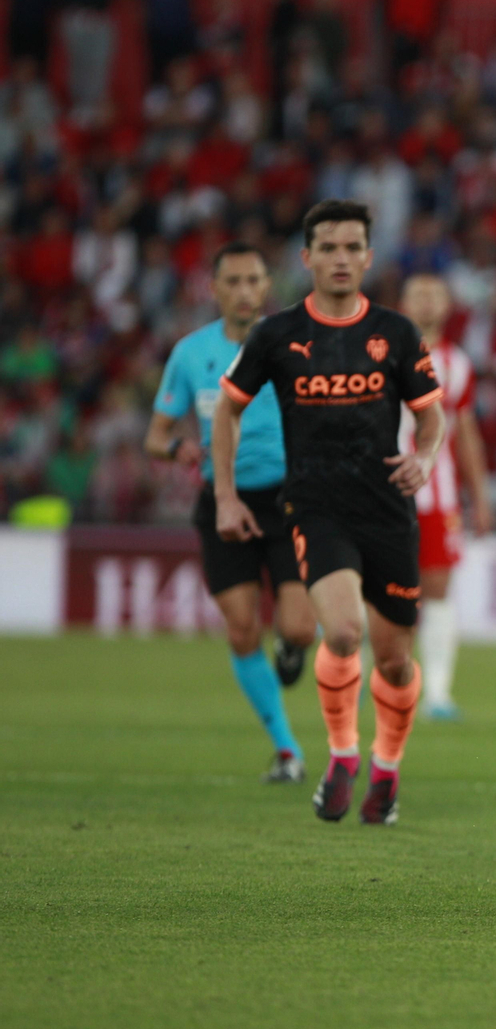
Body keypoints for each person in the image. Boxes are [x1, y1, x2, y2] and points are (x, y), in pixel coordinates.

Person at [213, 199, 446, 826]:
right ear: (307, 257)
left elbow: (431, 415)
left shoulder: (396, 333)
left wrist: (424, 458)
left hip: (387, 509)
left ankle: (386, 772)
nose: (341, 258)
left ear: (368, 258)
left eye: (352, 248)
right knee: (343, 633)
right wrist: (227, 496)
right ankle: (342, 756)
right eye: (329, 247)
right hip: (316, 508)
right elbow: (227, 409)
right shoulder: (277, 334)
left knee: (395, 658)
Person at [145, 241, 317, 784]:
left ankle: (292, 650)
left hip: (289, 499)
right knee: (243, 629)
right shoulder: (190, 354)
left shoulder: (294, 345)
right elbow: (155, 436)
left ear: (267, 287)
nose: (244, 292)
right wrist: (178, 450)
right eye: (233, 282)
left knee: (298, 626)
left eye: (253, 281)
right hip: (223, 499)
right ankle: (287, 749)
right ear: (214, 288)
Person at [397, 274, 493, 720]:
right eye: (419, 293)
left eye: (436, 294)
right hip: (385, 491)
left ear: (449, 304)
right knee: (370, 585)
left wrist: (481, 496)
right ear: (403, 302)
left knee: (436, 588)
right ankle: (362, 676)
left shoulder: (459, 363)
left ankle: (436, 692)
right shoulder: (382, 354)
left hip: (440, 493)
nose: (428, 302)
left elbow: (467, 434)